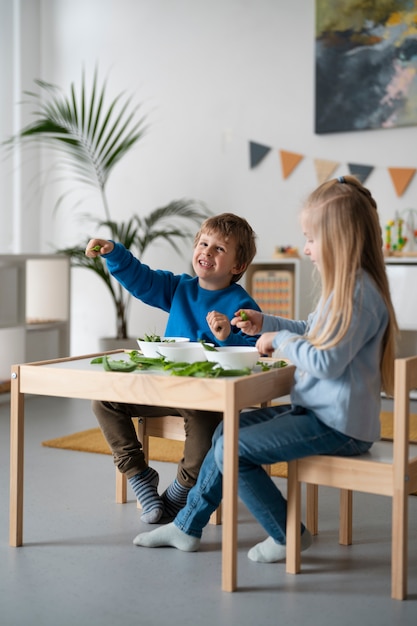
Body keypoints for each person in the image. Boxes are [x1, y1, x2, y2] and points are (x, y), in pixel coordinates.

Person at [132, 175, 398, 563]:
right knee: (228, 430)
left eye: (311, 238)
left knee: (235, 450)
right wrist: (266, 323)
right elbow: (311, 332)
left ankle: (285, 534)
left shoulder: (358, 295)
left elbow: (326, 360)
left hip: (339, 426)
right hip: (319, 414)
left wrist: (281, 343)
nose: (306, 249)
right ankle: (187, 526)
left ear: (340, 239)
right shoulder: (345, 289)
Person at [85, 213, 261, 524]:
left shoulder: (240, 303)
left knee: (207, 428)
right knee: (104, 399)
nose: (207, 252)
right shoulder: (180, 288)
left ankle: (180, 491)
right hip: (165, 388)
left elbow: (256, 348)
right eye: (204, 244)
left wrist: (228, 335)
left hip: (205, 398)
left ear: (237, 266)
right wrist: (114, 252)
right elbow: (143, 279)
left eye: (219, 249)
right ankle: (139, 475)